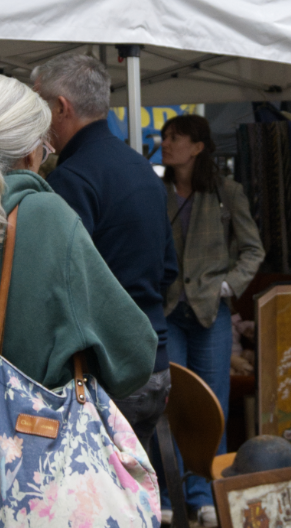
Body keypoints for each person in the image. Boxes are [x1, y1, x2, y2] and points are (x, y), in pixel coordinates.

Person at [0, 74, 156, 421]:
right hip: (37, 459)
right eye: (44, 148)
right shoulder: (45, 217)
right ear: (28, 152)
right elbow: (134, 354)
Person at [30, 58, 179, 477]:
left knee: (98, 504)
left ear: (61, 107)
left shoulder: (72, 177)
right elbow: (168, 269)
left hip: (104, 371)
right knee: (130, 501)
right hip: (153, 363)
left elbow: (57, 285)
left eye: (38, 104)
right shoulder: (142, 169)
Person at [160, 115, 264, 520]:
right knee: (167, 401)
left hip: (211, 313)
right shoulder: (156, 191)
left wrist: (227, 286)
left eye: (175, 137)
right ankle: (168, 496)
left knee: (211, 404)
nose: (166, 143)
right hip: (168, 309)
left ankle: (203, 496)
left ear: (198, 146)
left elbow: (253, 250)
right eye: (165, 136)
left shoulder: (226, 192)